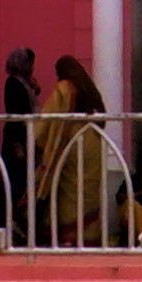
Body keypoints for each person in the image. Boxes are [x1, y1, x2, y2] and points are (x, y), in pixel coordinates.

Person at [34, 54, 114, 247]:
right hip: (94, 140)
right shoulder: (89, 87)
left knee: (70, 191)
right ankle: (89, 236)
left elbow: (46, 120)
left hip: (73, 141)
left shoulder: (64, 88)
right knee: (88, 190)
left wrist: (36, 141)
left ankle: (70, 237)